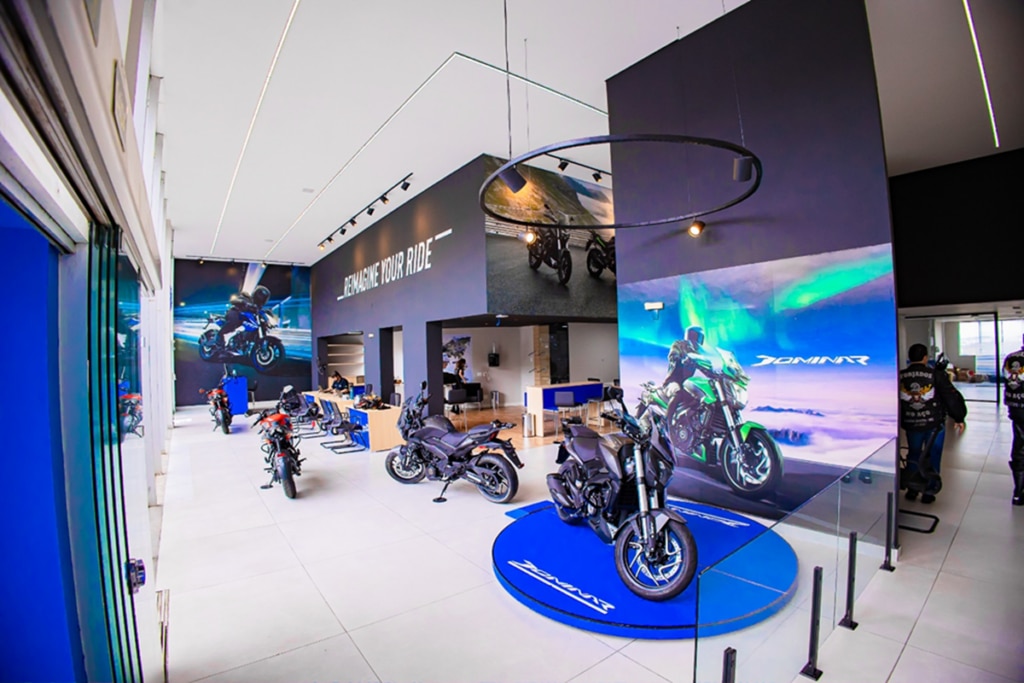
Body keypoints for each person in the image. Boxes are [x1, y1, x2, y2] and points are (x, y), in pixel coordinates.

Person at [898, 343, 967, 504]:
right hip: (934, 424)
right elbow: (950, 397)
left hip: (911, 423)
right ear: (925, 358)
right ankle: (929, 490)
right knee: (934, 454)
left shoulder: (900, 376)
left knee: (914, 454)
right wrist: (959, 417)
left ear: (909, 358)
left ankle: (912, 488)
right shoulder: (935, 374)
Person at [1001, 335, 1024, 506]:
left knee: (1020, 446)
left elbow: (1006, 378)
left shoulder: (1010, 357)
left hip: (1016, 408)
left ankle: (1019, 491)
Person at [216, 285, 271, 349]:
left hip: (245, 319)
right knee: (233, 321)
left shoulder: (258, 307)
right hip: (236, 312)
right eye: (261, 296)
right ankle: (219, 335)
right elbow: (233, 300)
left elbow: (261, 312)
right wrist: (242, 302)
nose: (261, 298)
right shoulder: (246, 297)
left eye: (263, 297)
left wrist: (267, 318)